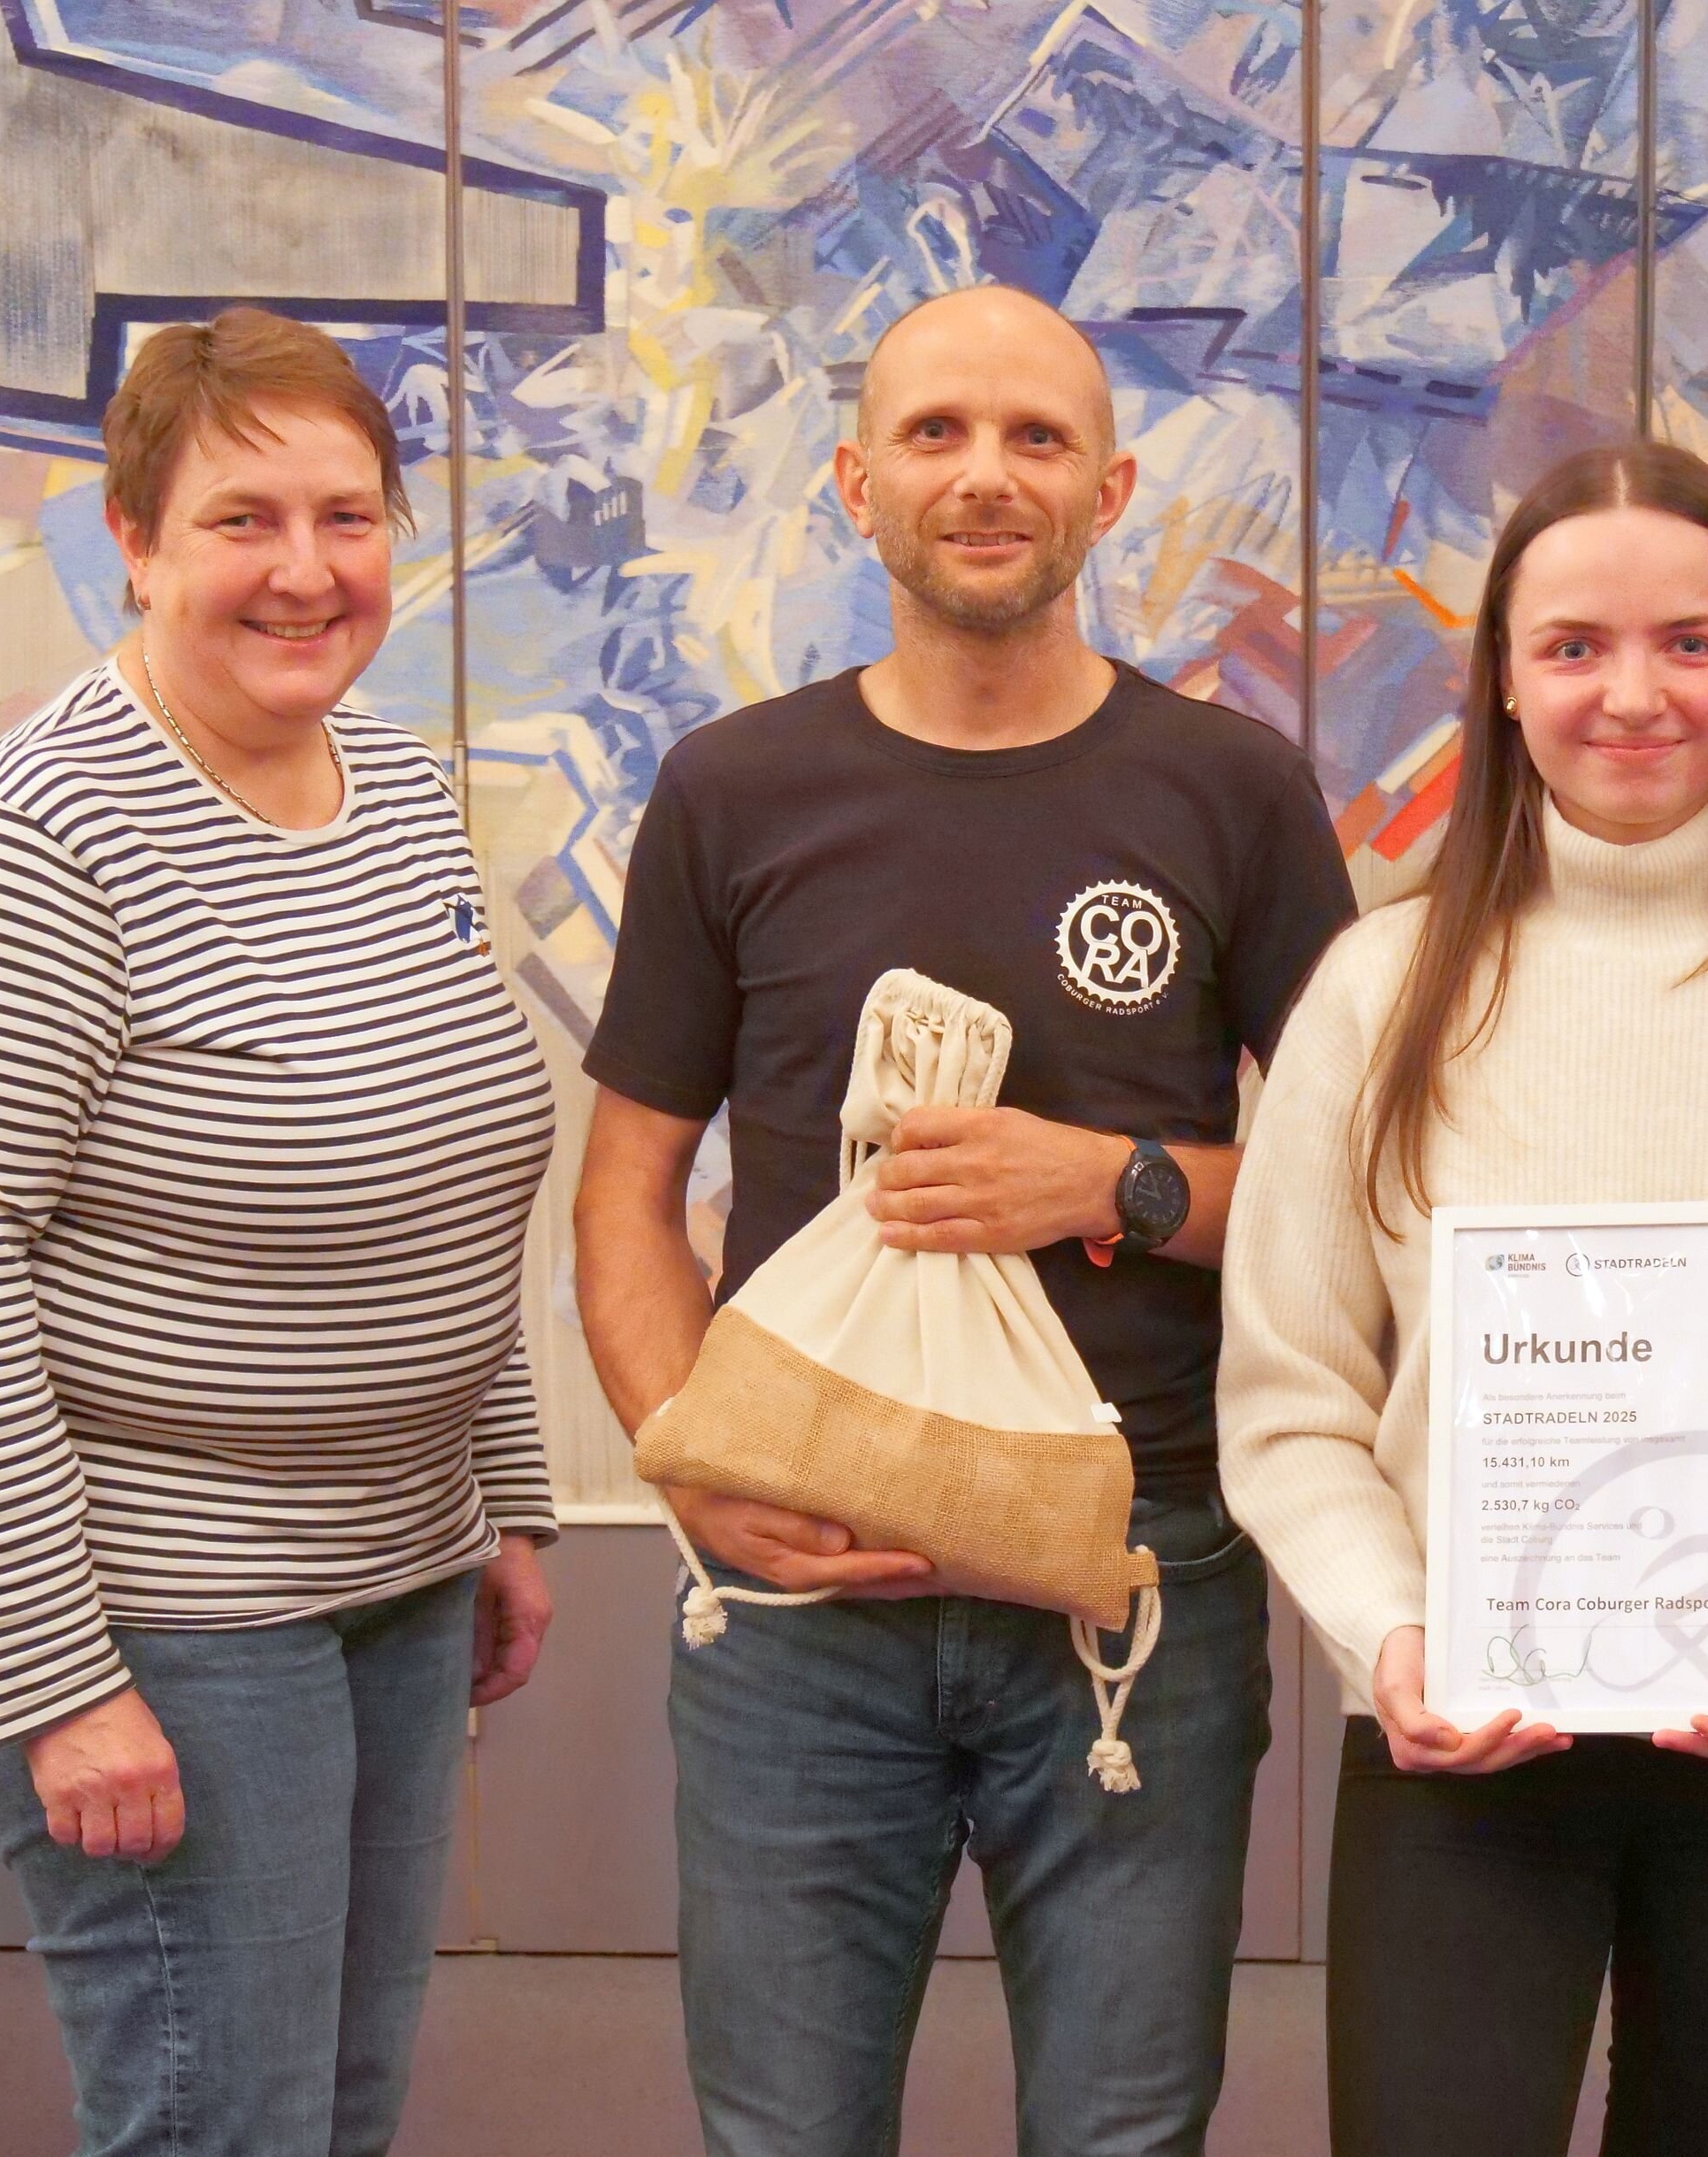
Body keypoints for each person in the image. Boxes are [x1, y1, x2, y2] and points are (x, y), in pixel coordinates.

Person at [571, 281, 1356, 2157]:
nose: (985, 476)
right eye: (935, 434)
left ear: (1114, 485)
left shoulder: (1233, 790)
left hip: (1141, 1581)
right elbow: (623, 1188)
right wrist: (689, 1461)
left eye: (1035, 437)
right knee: (782, 2133)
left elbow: (1362, 1196)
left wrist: (1117, 1182)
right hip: (797, 1598)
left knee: (1121, 2138)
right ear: (855, 481)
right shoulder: (731, 790)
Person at [1218, 440, 1708, 2157]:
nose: (1631, 693)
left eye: (1689, 643)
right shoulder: (1375, 992)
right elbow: (1292, 1399)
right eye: (1574, 646)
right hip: (1469, 1748)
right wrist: (1393, 1630)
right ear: (1501, 681)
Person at [0, 307, 559, 2157]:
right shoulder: (36, 838)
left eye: (346, 518)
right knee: (221, 2125)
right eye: (240, 521)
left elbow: (448, 1166)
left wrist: (497, 1497)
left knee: (329, 2114)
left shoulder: (390, 789)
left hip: (397, 1586)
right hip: (165, 1618)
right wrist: (53, 1678)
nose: (304, 572)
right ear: (133, 536)